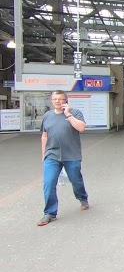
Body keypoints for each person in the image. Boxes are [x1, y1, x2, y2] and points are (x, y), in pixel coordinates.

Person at [38, 90, 89, 226]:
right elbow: (44, 135)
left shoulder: (75, 113)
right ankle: (49, 213)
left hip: (71, 154)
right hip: (52, 155)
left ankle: (82, 198)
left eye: (61, 99)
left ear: (66, 101)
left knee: (75, 180)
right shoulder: (47, 116)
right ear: (52, 101)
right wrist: (43, 154)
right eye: (55, 99)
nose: (58, 102)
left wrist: (68, 115)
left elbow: (82, 128)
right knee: (49, 183)